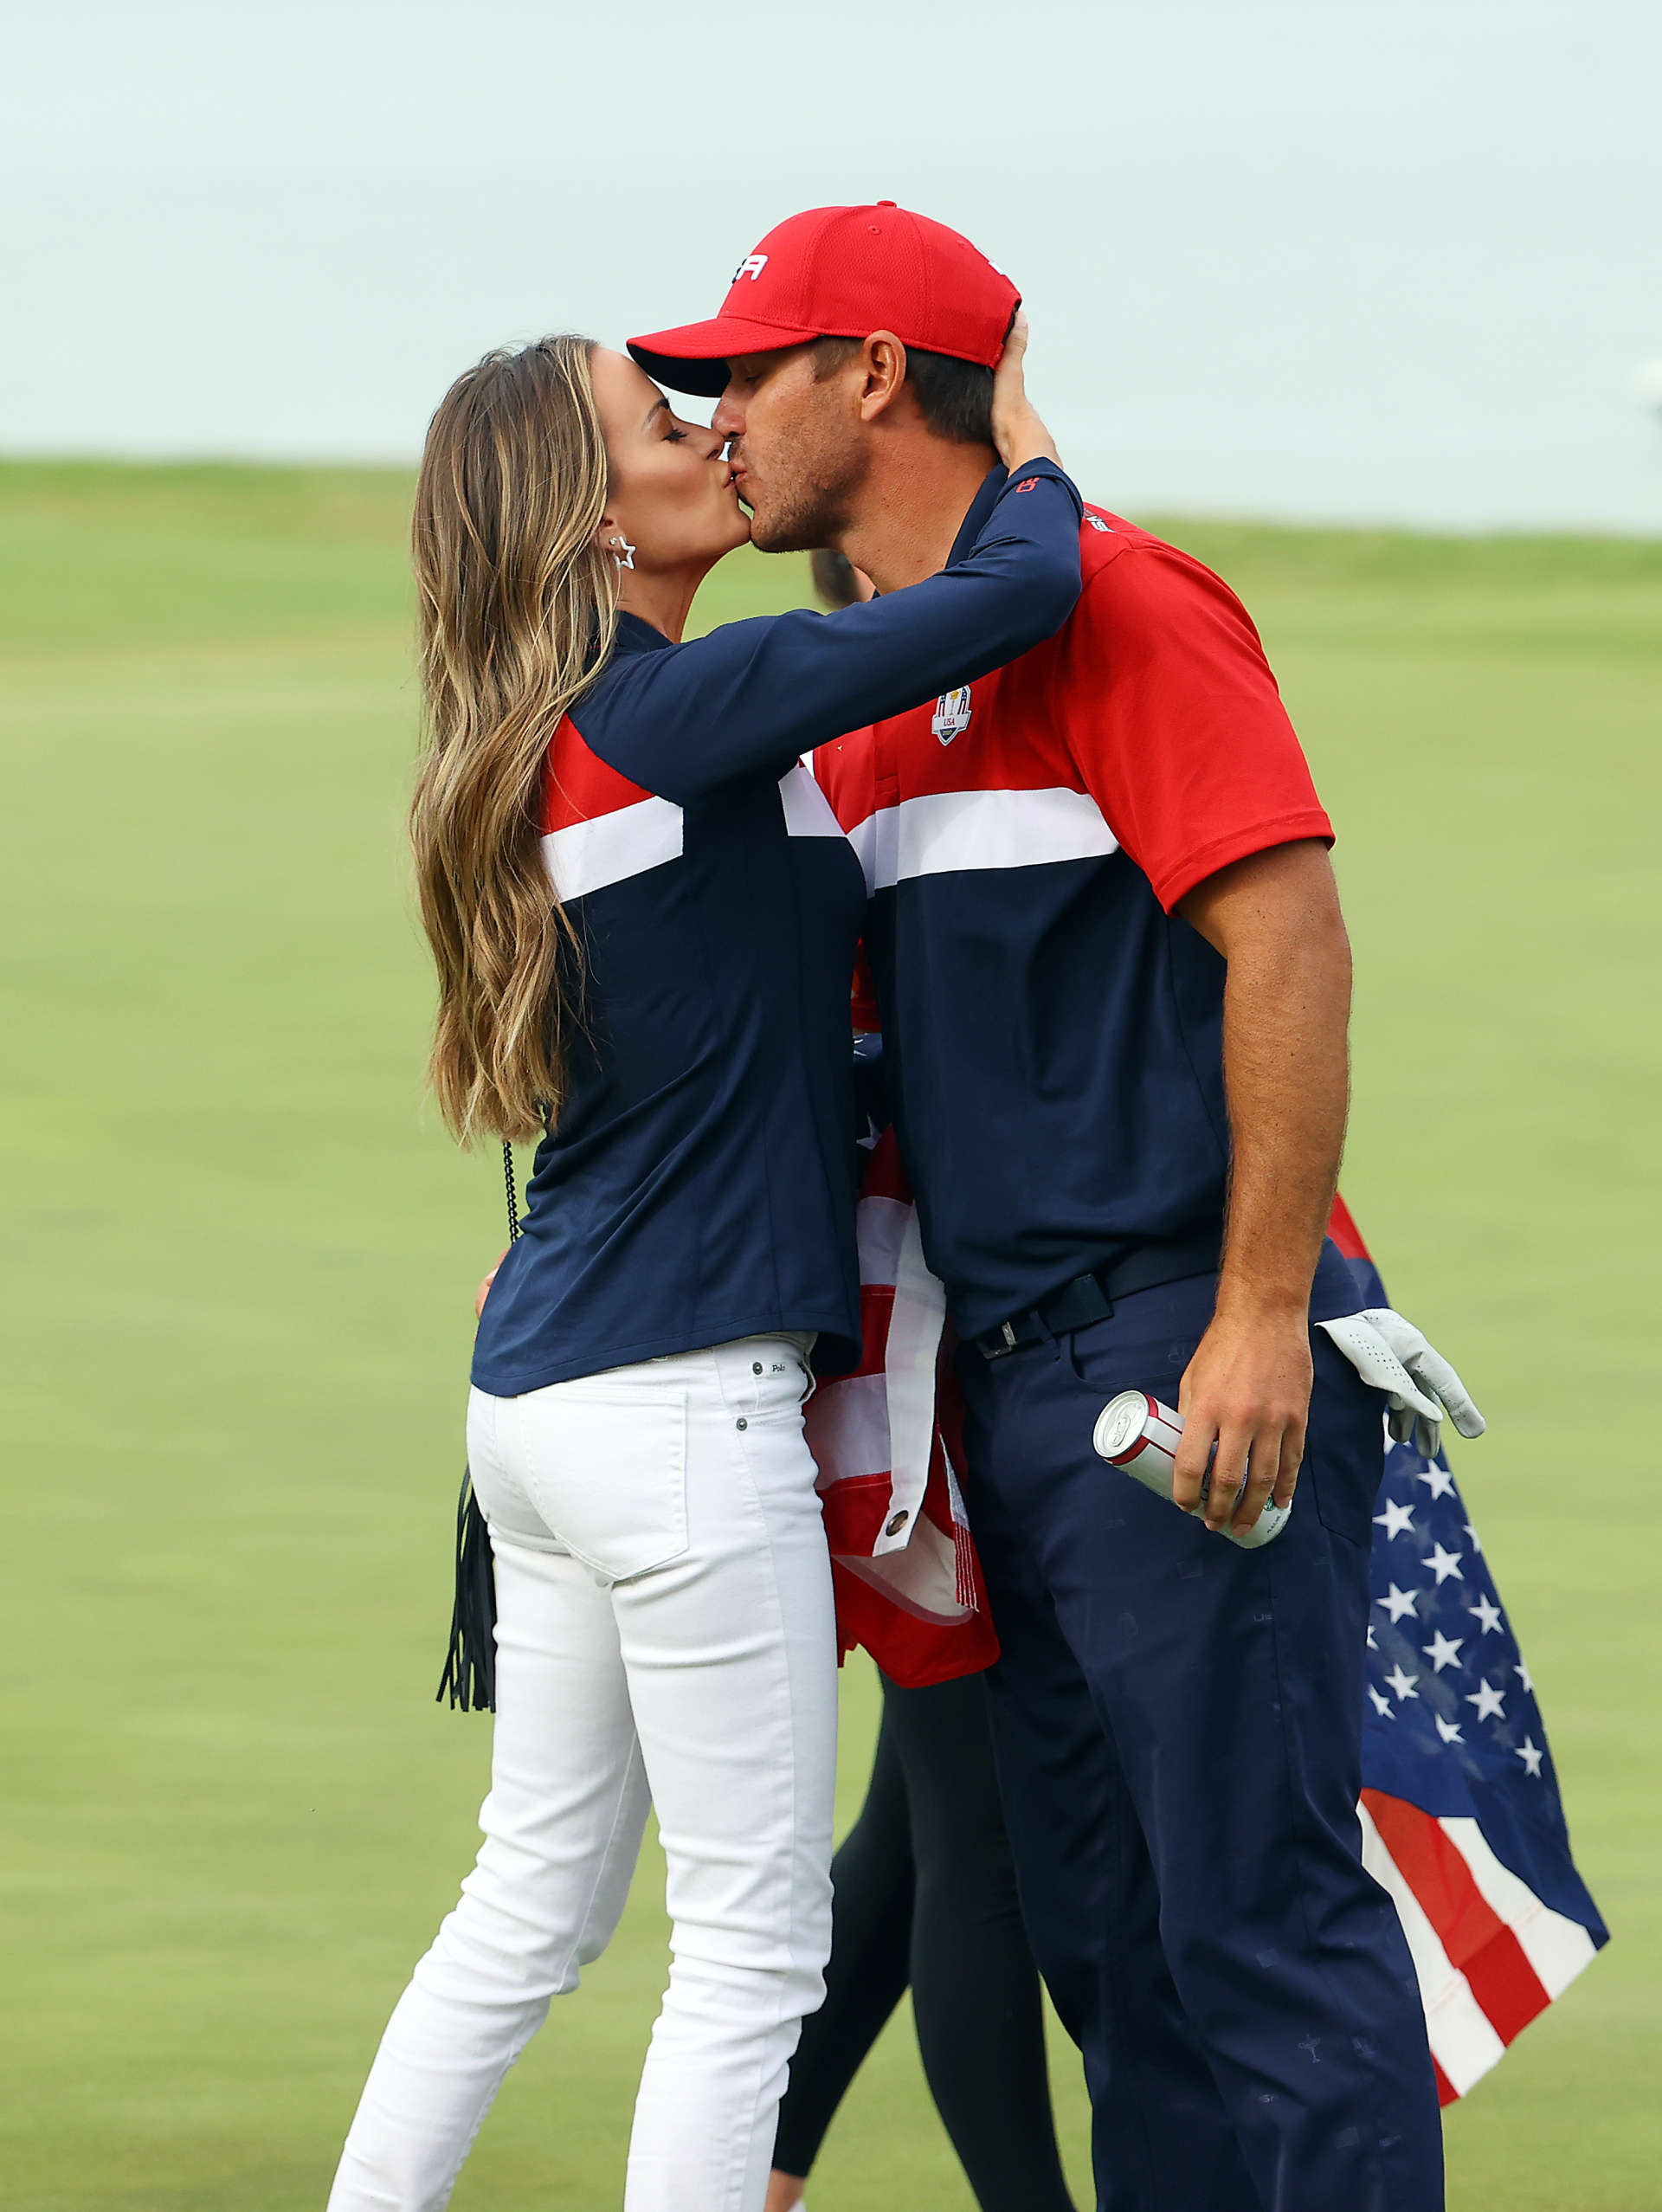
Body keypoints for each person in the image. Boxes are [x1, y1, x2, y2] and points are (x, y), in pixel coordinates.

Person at [631, 199, 1446, 2211]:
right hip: (999, 1406)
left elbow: (1294, 947)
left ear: (878, 377)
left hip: (1180, 1357)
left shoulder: (1130, 608)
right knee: (1122, 1960)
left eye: (750, 371)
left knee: (1255, 1938)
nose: (715, 413)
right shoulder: (867, 682)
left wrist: (1259, 1313)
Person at [324, 326, 1081, 2212]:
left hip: (545, 1410)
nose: (714, 433)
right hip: (674, 1414)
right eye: (664, 423)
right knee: (751, 1955)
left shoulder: (551, 735)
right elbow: (1023, 586)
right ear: (594, 522)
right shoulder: (663, 708)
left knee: (526, 1913)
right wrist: (1020, 435)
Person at [762, 549, 1077, 2212]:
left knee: (908, 1839)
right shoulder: (846, 741)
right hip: (910, 1367)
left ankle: (759, 2168)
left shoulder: (843, 734)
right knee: (983, 1851)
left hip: (934, 1342)